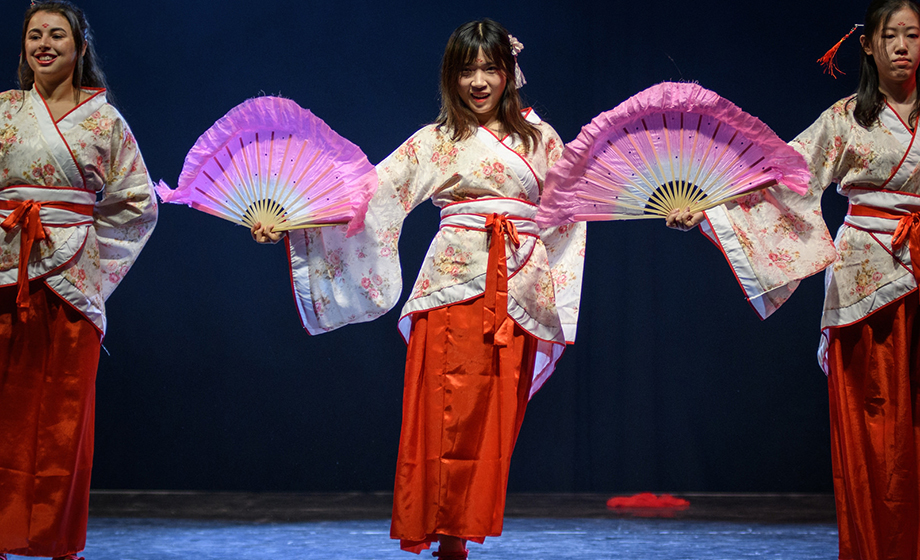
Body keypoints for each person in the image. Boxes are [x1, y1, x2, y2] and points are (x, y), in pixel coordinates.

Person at [254, 19, 585, 559]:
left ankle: (462, 529)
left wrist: (676, 214)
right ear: (450, 77)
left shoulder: (541, 139)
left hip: (518, 291)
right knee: (444, 415)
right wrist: (293, 219)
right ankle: (446, 537)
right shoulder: (437, 141)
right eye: (466, 70)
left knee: (493, 423)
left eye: (490, 68)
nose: (478, 81)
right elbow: (367, 196)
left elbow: (574, 207)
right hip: (453, 289)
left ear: (509, 72)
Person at [667, 1, 920, 558]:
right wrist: (707, 205)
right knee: (873, 425)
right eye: (891, 36)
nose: (902, 47)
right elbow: (784, 180)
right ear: (868, 45)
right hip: (866, 281)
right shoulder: (844, 118)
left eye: (913, 36)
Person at [0, 2, 157, 559]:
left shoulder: (104, 121)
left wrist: (89, 262)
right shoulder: (4, 111)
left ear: (80, 47)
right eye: (34, 35)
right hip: (5, 273)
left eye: (57, 35)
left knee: (65, 414)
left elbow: (138, 204)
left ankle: (58, 542)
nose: (44, 44)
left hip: (71, 284)